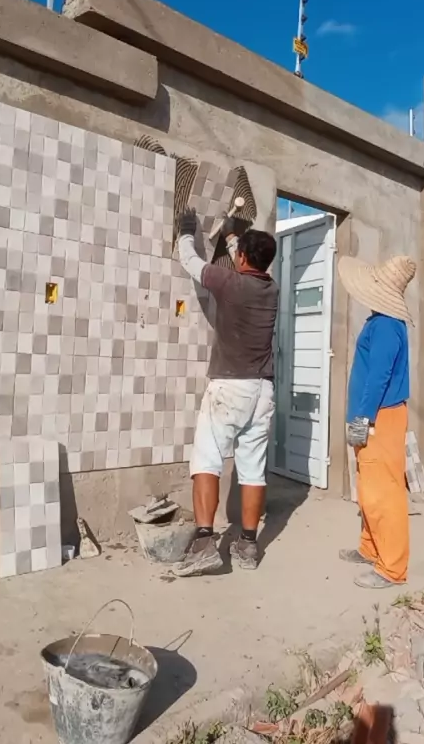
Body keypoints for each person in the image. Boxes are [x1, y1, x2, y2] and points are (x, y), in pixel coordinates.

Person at [172, 207, 279, 577]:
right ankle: (248, 545)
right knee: (253, 469)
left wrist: (187, 230)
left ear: (244, 259)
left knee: (206, 461)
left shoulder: (228, 283)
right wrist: (232, 236)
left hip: (229, 389)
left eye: (239, 253)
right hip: (262, 391)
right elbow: (244, 261)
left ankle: (205, 544)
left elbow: (191, 262)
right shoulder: (270, 288)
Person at [338, 254, 416, 589]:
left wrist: (362, 418)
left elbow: (378, 377)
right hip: (377, 416)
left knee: (384, 492)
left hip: (379, 417)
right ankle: (371, 548)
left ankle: (392, 568)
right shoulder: (382, 322)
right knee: (370, 488)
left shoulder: (385, 326)